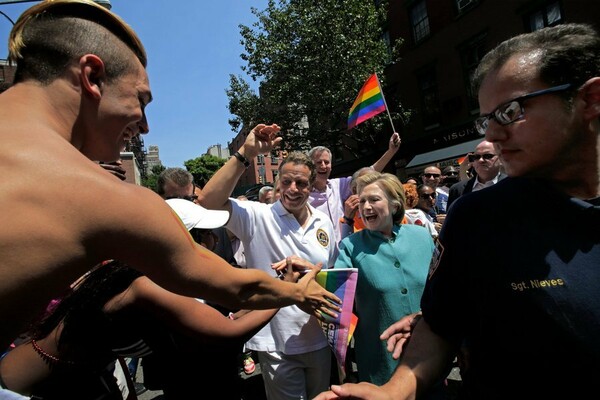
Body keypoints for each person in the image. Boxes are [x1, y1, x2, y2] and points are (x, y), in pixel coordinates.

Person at [0, 0, 339, 372]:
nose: (144, 125)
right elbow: (233, 286)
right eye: (140, 100)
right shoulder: (102, 196)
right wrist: (295, 291)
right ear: (92, 76)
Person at [314, 22, 600, 400]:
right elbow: (440, 325)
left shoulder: (425, 232)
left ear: (590, 100)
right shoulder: (475, 219)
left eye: (511, 112)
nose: (493, 136)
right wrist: (396, 391)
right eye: (486, 120)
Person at [0, 198, 296, 400]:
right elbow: (227, 332)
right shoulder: (146, 285)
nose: (214, 242)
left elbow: (229, 316)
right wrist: (290, 291)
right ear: (184, 241)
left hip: (77, 381)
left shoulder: (152, 274)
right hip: (22, 389)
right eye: (207, 235)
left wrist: (282, 285)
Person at [198, 126, 339, 400]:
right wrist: (245, 154)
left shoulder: (323, 221)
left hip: (320, 338)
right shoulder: (256, 216)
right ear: (277, 183)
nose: (293, 189)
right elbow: (207, 202)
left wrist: (308, 270)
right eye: (286, 182)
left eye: (301, 183)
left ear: (312, 185)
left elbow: (331, 272)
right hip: (277, 343)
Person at [333, 172, 434, 387]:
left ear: (395, 205)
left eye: (374, 199)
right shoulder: (350, 246)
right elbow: (336, 295)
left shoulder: (422, 237)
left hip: (429, 352)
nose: (366, 207)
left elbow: (444, 289)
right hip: (380, 358)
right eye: (362, 201)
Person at [308, 132, 401, 245]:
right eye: (318, 162)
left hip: (343, 249)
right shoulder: (303, 194)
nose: (323, 166)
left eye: (326, 162)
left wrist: (391, 151)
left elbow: (368, 173)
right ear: (310, 166)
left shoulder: (338, 185)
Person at [447, 140, 506, 209]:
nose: (481, 160)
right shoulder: (457, 190)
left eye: (487, 156)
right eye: (476, 157)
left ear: (501, 158)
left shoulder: (513, 185)